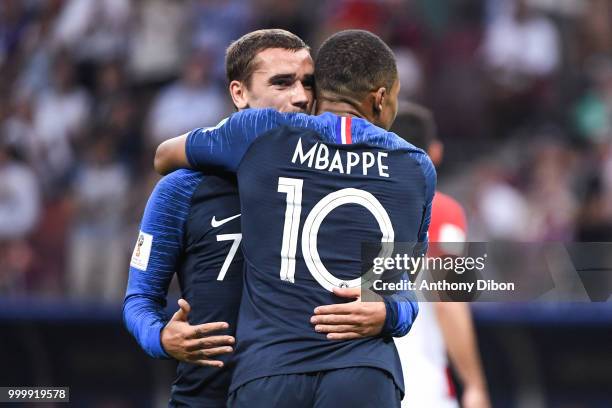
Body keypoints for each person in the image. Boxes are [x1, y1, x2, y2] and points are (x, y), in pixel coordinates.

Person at [154, 29, 435, 407]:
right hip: (367, 369)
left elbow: (164, 156)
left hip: (268, 370)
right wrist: (392, 315)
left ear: (321, 89)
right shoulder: (415, 167)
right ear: (381, 99)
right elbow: (408, 287)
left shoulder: (260, 132)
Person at [391, 103, 491, 408]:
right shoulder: (439, 208)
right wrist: (474, 385)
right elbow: (449, 301)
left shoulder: (353, 206)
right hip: (420, 386)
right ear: (435, 152)